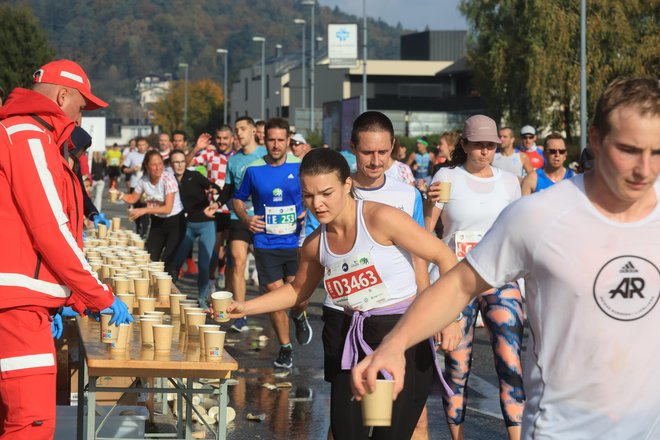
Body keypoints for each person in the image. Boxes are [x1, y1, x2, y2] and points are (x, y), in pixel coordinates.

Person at [352, 76, 660, 439]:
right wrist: (394, 345)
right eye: (627, 150)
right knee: (458, 369)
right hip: (562, 430)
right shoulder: (539, 215)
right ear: (595, 139)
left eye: (657, 152)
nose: (644, 169)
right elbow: (459, 285)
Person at [225, 147, 457, 440]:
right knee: (346, 433)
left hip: (402, 335)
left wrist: (450, 317)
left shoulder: (380, 218)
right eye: (308, 196)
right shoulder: (314, 244)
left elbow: (444, 256)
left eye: (326, 193)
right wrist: (243, 307)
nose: (317, 204)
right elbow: (297, 290)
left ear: (347, 184)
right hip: (353, 339)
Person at [0, 59, 131, 439]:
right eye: (81, 106)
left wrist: (63, 297)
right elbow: (50, 229)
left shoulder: (25, 134)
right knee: (31, 424)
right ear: (62, 95)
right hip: (16, 307)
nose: (81, 118)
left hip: (22, 301)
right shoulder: (27, 135)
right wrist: (98, 295)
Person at [425, 115, 524, 440]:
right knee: (457, 367)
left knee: (511, 364)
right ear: (464, 145)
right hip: (458, 282)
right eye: (478, 144)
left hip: (500, 279)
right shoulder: (447, 176)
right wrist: (427, 202)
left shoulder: (509, 181)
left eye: (491, 145)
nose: (484, 151)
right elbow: (427, 234)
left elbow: (520, 233)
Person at [233, 117, 312, 368]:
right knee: (276, 297)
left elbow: (316, 192)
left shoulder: (301, 166)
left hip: (295, 242)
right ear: (263, 139)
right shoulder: (253, 169)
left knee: (299, 295)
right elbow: (237, 199)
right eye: (271, 140)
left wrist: (307, 209)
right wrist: (246, 218)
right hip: (265, 242)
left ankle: (299, 315)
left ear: (288, 140)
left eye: (281, 140)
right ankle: (285, 347)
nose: (276, 145)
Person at [225, 116, 267, 332]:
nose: (239, 133)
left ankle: (274, 305)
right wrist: (216, 203)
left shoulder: (266, 155)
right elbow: (228, 190)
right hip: (238, 217)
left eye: (242, 129)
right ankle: (240, 315)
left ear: (253, 131)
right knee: (238, 261)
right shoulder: (233, 161)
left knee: (267, 267)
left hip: (263, 217)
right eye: (237, 129)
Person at [116, 150, 185, 277]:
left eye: (160, 163)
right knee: (151, 258)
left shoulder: (168, 178)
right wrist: (119, 194)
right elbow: (133, 198)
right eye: (154, 164)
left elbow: (167, 209)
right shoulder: (144, 179)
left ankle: (168, 291)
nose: (158, 167)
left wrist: (144, 210)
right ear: (147, 166)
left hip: (175, 221)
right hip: (158, 222)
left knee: (167, 261)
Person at [170, 149, 222, 309]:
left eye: (182, 162)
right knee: (177, 261)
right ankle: (169, 295)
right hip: (187, 226)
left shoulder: (194, 176)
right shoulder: (169, 179)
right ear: (171, 164)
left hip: (206, 223)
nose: (179, 165)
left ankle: (201, 299)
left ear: (186, 163)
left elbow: (214, 187)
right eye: (176, 162)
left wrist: (213, 190)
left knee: (204, 264)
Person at [121, 136, 150, 236]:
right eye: (139, 145)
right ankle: (138, 228)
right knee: (136, 209)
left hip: (147, 186)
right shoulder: (131, 155)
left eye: (144, 145)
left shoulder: (150, 155)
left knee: (145, 209)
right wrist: (132, 170)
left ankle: (144, 233)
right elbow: (123, 169)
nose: (142, 147)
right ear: (137, 146)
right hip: (135, 185)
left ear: (147, 145)